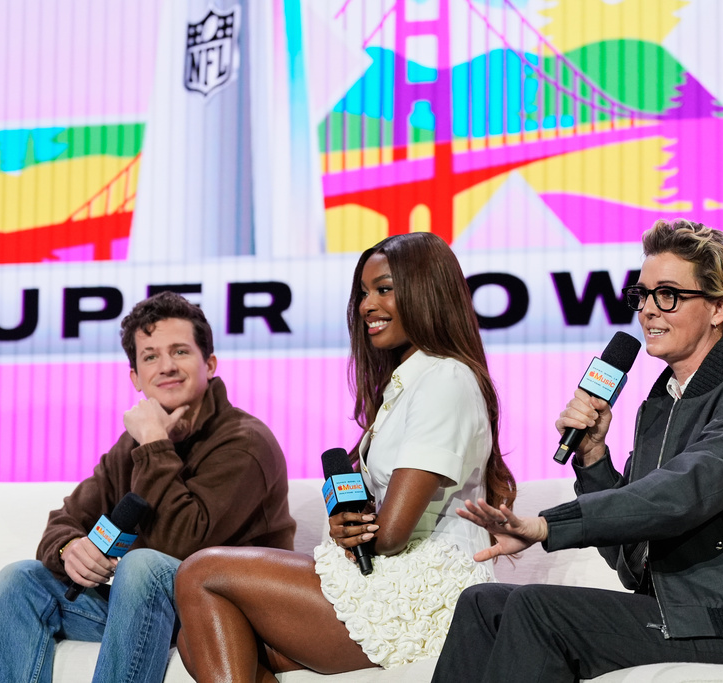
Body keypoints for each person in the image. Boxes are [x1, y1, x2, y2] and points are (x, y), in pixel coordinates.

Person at [432, 219, 723, 683]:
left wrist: (546, 525)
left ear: (718, 307)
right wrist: (593, 458)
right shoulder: (659, 405)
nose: (649, 310)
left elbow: (680, 495)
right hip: (676, 615)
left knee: (542, 608)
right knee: (483, 603)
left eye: (668, 295)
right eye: (642, 295)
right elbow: (629, 562)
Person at [173, 232, 517, 681]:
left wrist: (354, 531)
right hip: (386, 576)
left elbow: (390, 534)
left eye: (383, 289)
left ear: (426, 291)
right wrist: (347, 526)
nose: (366, 305)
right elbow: (379, 525)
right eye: (363, 292)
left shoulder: (446, 380)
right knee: (199, 638)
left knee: (200, 572)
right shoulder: (410, 382)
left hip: (424, 596)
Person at [0, 291, 296, 683]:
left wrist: (154, 445)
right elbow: (66, 519)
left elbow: (180, 545)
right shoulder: (134, 444)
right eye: (150, 357)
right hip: (153, 607)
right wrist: (70, 549)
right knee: (21, 580)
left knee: (142, 565)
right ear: (136, 378)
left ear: (209, 363)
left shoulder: (245, 442)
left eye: (180, 351)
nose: (166, 367)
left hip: (227, 610)